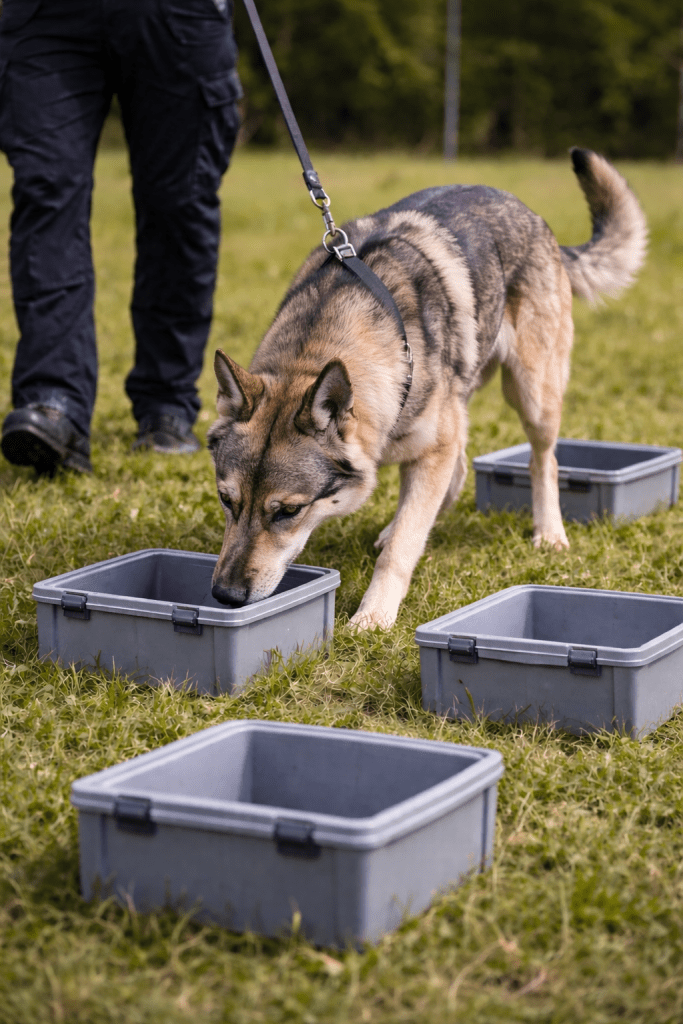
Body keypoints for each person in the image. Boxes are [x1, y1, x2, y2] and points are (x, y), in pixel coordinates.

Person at [0, 0, 241, 474]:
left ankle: (166, 407)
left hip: (178, 16)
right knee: (45, 191)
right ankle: (55, 403)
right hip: (46, 16)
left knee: (180, 208)